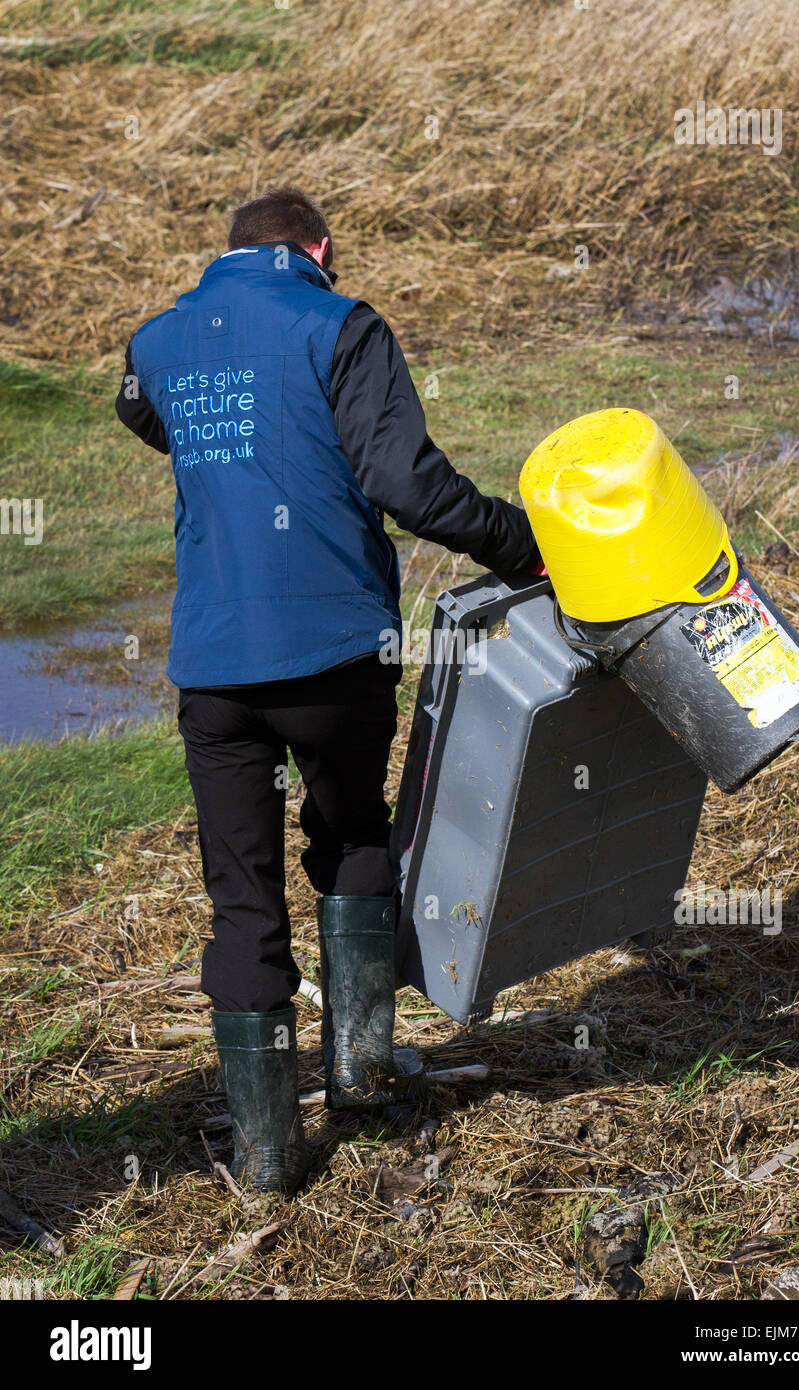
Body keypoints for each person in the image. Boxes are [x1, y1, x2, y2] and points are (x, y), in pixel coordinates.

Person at [116, 186, 541, 1192]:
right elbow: (405, 483)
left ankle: (264, 1158)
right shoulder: (341, 324)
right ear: (316, 248)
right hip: (333, 653)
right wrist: (519, 544)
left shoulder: (157, 339)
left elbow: (138, 406)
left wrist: (233, 460)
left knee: (240, 903)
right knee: (353, 835)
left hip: (212, 674)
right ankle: (356, 1072)